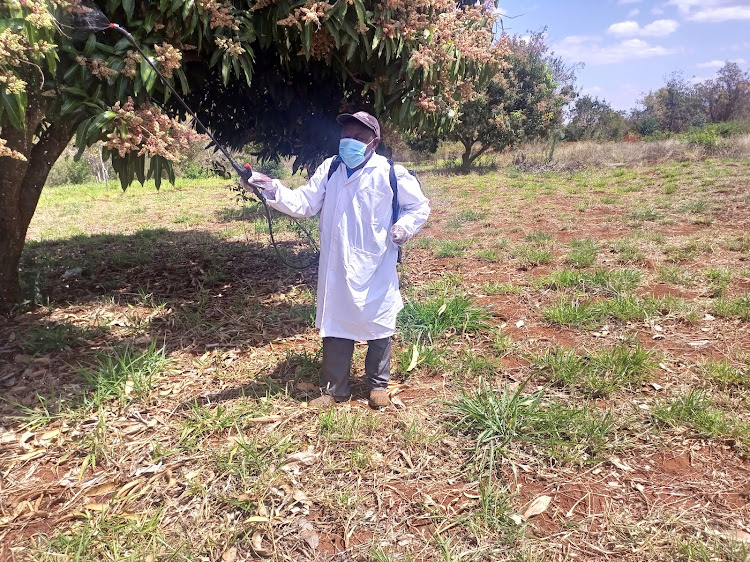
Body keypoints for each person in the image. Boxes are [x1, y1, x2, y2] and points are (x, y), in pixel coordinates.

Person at [243, 112, 430, 409]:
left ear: (374, 142)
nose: (350, 143)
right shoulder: (331, 169)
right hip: (337, 264)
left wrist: (404, 227)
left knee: (378, 323)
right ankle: (335, 389)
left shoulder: (390, 172)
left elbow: (418, 207)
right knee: (336, 324)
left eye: (358, 138)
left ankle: (378, 384)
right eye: (346, 136)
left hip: (376, 263)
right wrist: (270, 187)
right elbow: (304, 202)